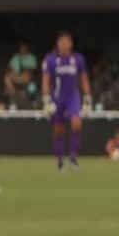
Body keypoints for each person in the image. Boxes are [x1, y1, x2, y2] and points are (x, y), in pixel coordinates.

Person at [40, 31, 91, 170]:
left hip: (72, 97)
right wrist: (46, 99)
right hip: (57, 98)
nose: (64, 45)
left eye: (67, 42)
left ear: (71, 44)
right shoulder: (50, 59)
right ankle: (60, 161)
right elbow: (46, 79)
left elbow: (83, 78)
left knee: (76, 123)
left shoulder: (78, 59)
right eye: (61, 42)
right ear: (57, 44)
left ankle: (73, 157)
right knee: (59, 130)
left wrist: (87, 97)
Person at [3, 43, 39, 109]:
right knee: (7, 77)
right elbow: (9, 67)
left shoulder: (31, 57)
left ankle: (32, 101)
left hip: (27, 77)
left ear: (27, 49)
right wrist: (11, 71)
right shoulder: (16, 57)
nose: (23, 50)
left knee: (27, 76)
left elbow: (33, 69)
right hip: (16, 77)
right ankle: (14, 94)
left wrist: (27, 71)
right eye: (21, 48)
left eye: (24, 48)